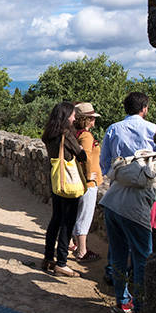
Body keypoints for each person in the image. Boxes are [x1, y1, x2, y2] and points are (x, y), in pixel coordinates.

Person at [99, 91, 156, 313]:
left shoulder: (113, 129)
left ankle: (122, 302)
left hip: (112, 199)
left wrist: (121, 177)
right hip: (140, 202)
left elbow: (104, 163)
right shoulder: (154, 130)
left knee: (119, 255)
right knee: (142, 258)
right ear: (145, 108)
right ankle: (139, 309)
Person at [41, 101, 87, 278]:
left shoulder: (50, 134)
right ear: (66, 116)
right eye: (73, 115)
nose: (74, 118)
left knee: (56, 219)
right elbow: (81, 155)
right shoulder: (66, 133)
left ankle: (48, 257)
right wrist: (81, 149)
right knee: (68, 221)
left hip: (56, 181)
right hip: (68, 183)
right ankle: (61, 262)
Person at [71, 102, 102, 263]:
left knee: (76, 213)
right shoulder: (86, 135)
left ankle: (72, 244)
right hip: (87, 182)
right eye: (92, 118)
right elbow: (86, 157)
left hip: (76, 179)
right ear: (86, 119)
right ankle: (82, 251)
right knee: (85, 215)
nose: (94, 121)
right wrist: (90, 176)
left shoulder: (73, 133)